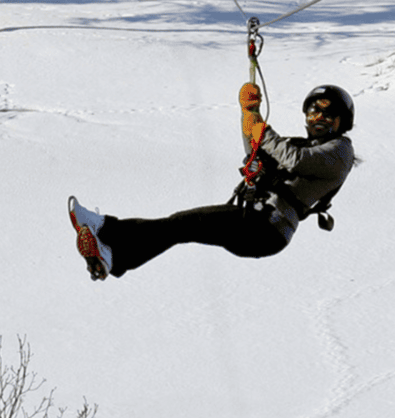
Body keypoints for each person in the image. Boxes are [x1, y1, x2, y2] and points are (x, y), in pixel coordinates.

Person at [69, 83, 355, 281]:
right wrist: (249, 116)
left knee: (180, 224)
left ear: (342, 121)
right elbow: (257, 150)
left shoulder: (341, 151)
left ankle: (108, 235)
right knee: (179, 226)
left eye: (329, 114)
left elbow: (294, 160)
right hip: (255, 222)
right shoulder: (300, 145)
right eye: (313, 111)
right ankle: (109, 251)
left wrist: (258, 126)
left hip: (266, 228)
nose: (319, 118)